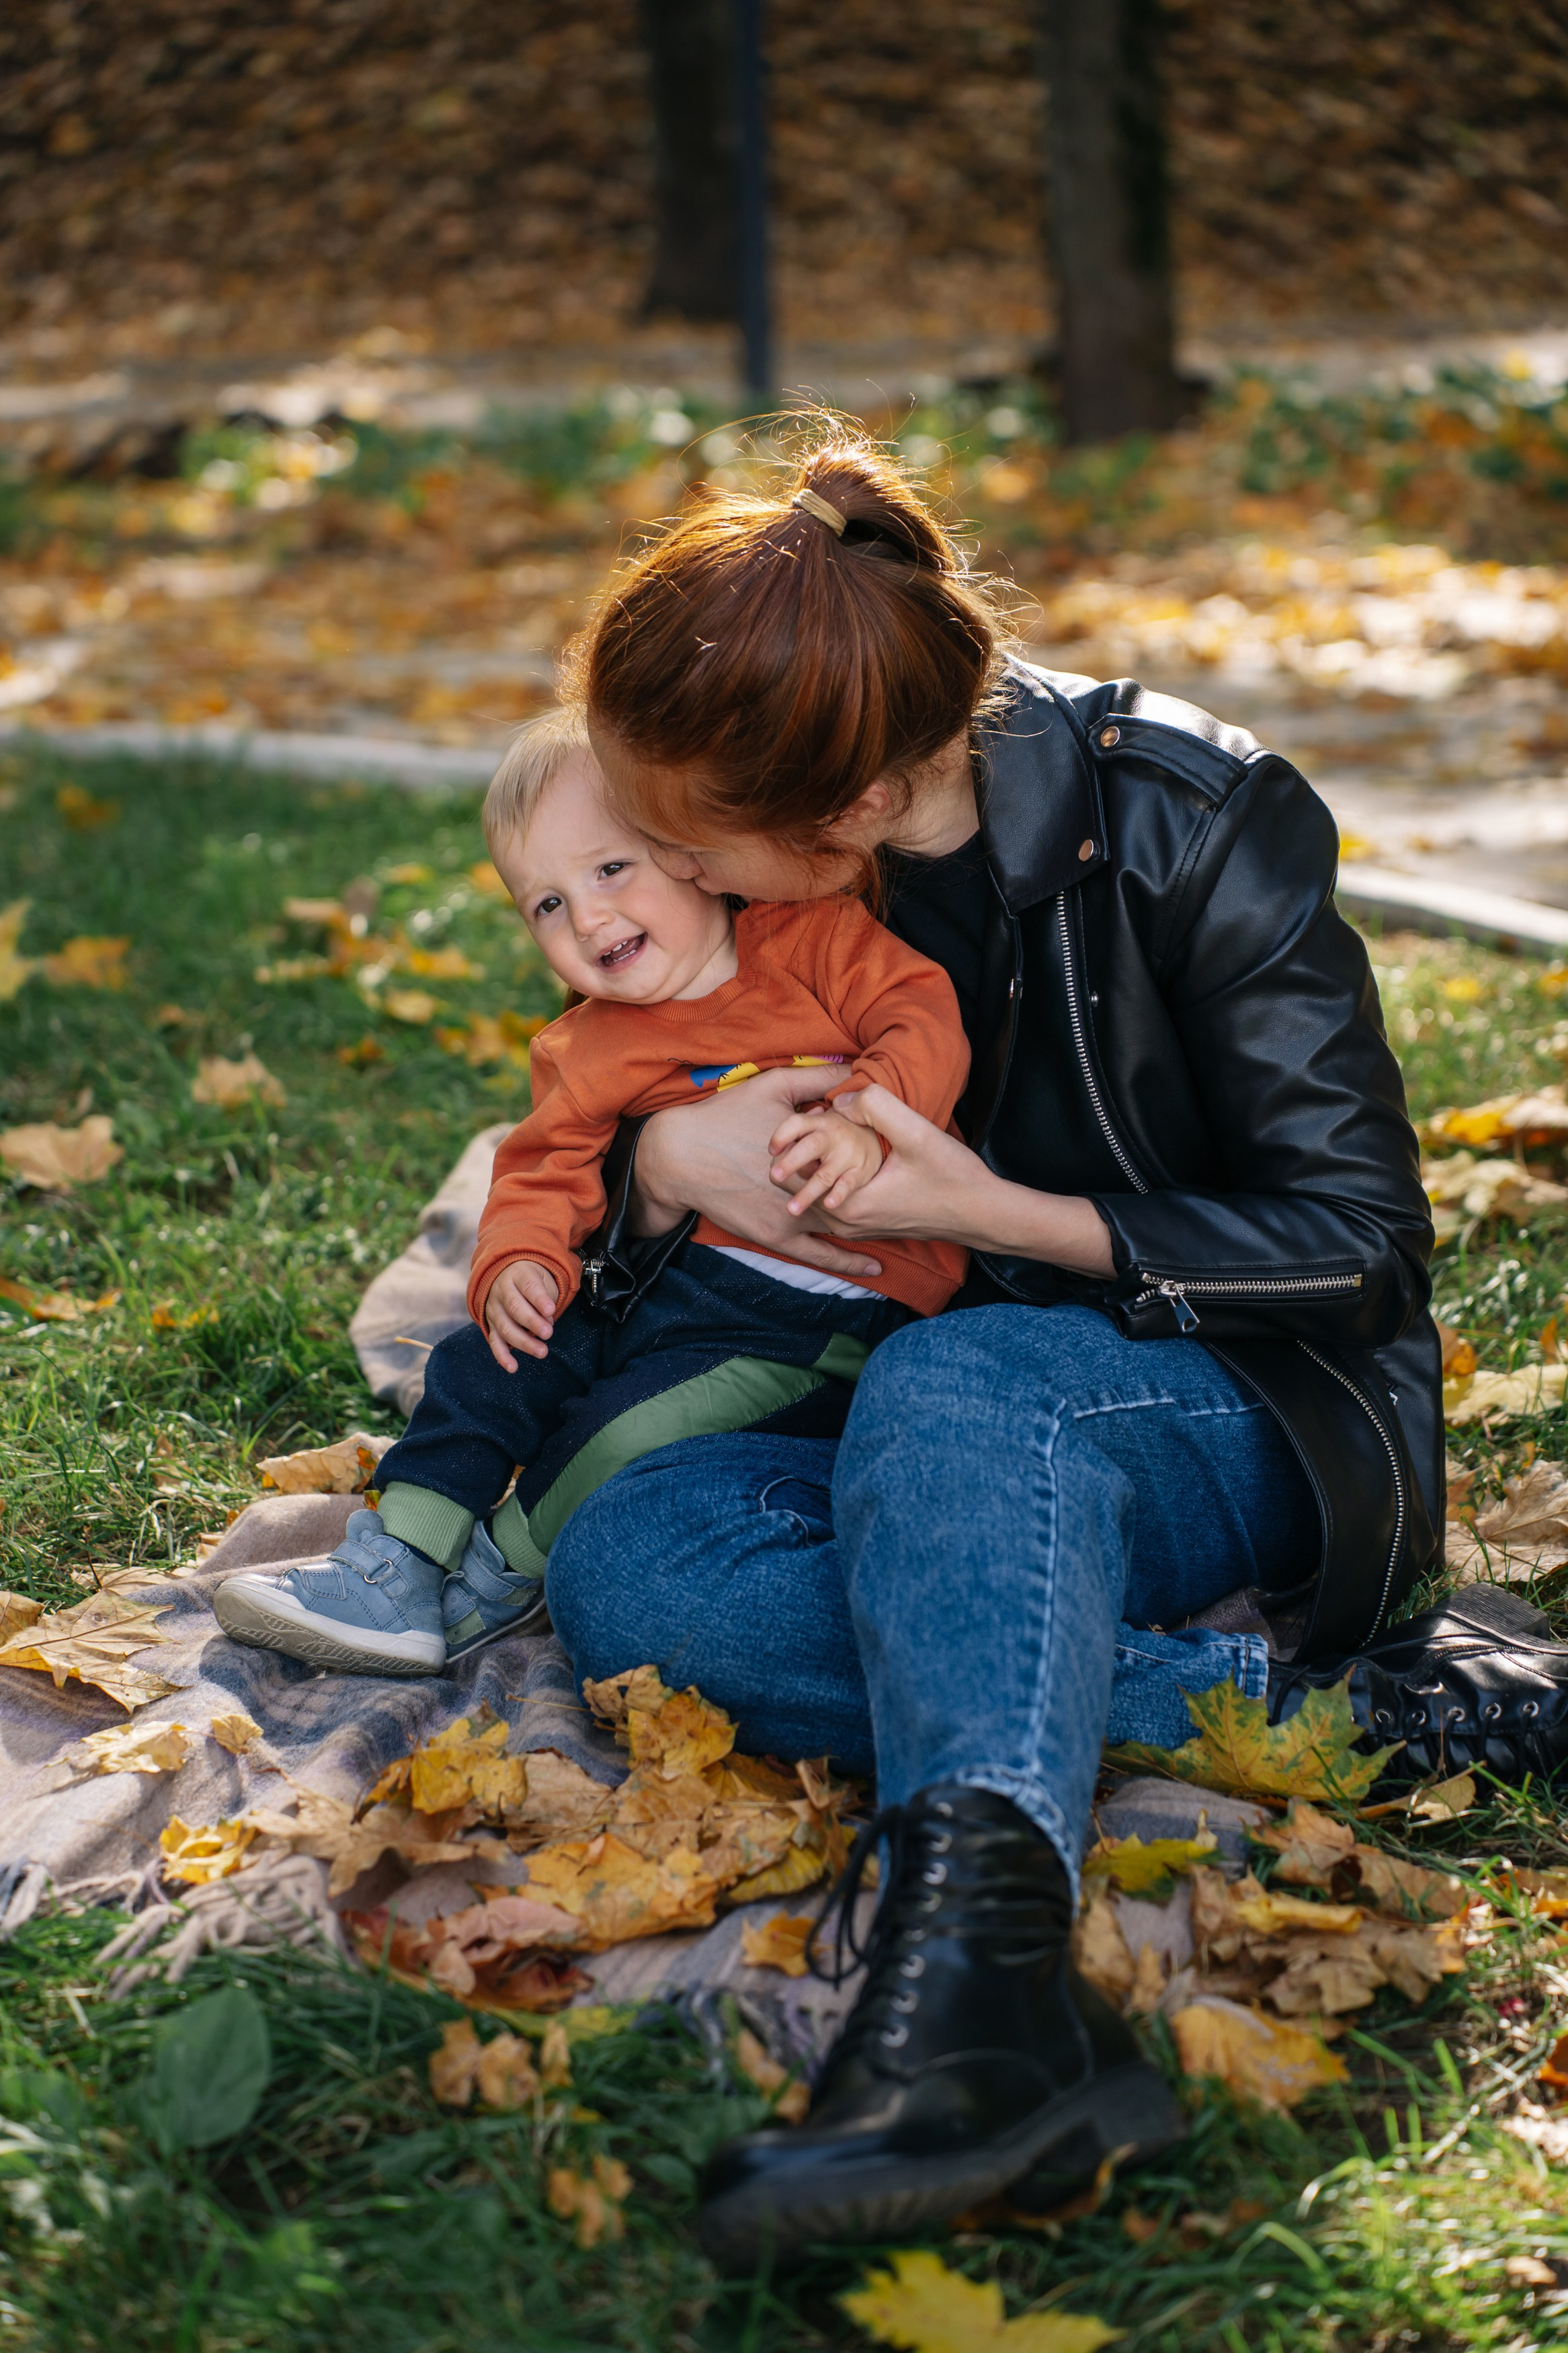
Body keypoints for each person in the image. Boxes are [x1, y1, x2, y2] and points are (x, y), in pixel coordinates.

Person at [513, 426, 1568, 2266]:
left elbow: (1359, 1248)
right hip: (907, 1412)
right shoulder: (771, 894)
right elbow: (612, 1172)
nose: (655, 874)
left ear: (832, 812)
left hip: (1246, 1405)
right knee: (634, 1563)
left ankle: (971, 2007)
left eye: (686, 844)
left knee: (961, 1375)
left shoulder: (1196, 817)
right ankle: (1363, 1719)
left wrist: (992, 1218)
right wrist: (659, 1178)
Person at [214, 709, 970, 1677]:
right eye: (547, 904)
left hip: (815, 1316)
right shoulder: (584, 1044)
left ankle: (492, 1578)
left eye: (611, 870)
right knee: (483, 1360)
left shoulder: (814, 939)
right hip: (653, 1293)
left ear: (690, 854)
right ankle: (396, 1555)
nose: (589, 918)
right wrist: (517, 1263)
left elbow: (922, 1017)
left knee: (626, 1429)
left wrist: (867, 1118)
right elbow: (538, 1171)